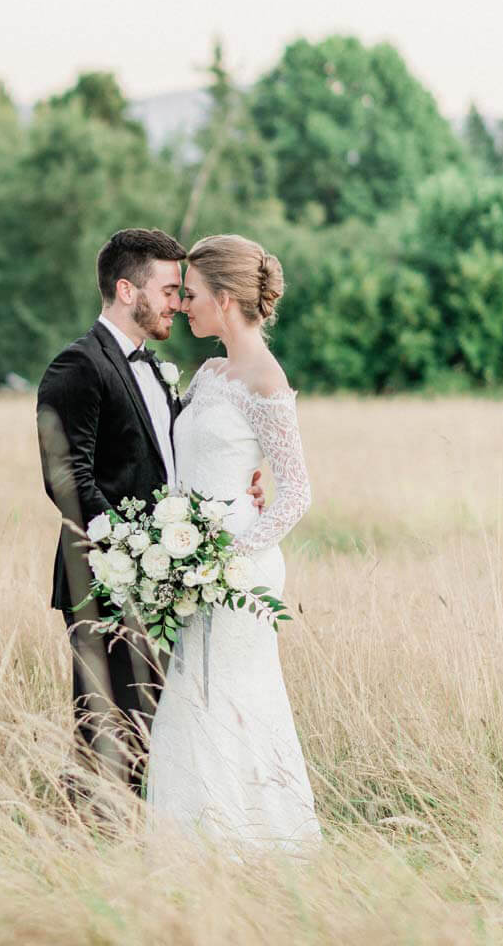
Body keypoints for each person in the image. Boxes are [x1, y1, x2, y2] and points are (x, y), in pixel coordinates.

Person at [35, 228, 262, 799]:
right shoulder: (77, 367)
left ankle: (135, 855)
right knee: (106, 739)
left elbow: (178, 453)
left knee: (152, 738)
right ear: (126, 289)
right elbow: (67, 478)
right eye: (166, 289)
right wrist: (131, 552)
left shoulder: (154, 368)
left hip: (162, 584)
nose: (176, 303)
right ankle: (81, 853)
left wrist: (248, 475)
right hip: (105, 584)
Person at [144, 234, 321, 850]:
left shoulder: (267, 381)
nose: (183, 305)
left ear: (224, 298)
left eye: (190, 295)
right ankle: (193, 845)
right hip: (194, 559)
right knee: (191, 697)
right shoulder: (212, 370)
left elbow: (297, 493)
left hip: (236, 572)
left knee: (228, 697)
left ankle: (247, 846)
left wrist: (224, 558)